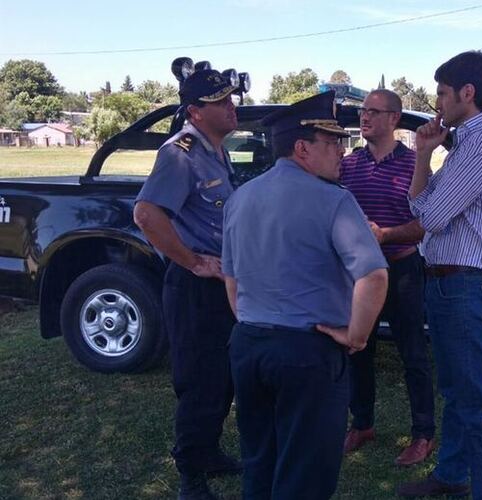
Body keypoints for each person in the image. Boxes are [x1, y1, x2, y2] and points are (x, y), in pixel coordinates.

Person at [223, 91, 389, 500]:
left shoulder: (240, 198)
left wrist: (253, 321)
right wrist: (357, 337)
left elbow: (232, 280)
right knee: (306, 476)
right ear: (302, 148)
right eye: (332, 143)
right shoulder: (334, 200)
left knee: (260, 462)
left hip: (250, 346)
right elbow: (374, 275)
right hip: (307, 353)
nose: (341, 152)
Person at [397, 51, 482, 499]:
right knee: (457, 391)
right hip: (449, 282)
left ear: (468, 93)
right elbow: (421, 207)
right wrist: (425, 154)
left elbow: (431, 214)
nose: (437, 102)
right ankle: (450, 477)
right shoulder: (465, 143)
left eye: (443, 93)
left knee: (478, 405)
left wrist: (423, 161)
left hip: (463, 285)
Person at [134, 69, 242, 500]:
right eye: (221, 102)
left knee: (222, 379)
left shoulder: (215, 151)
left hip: (219, 287)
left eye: (230, 98)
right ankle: (190, 478)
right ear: (196, 112)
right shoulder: (180, 153)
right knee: (199, 382)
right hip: (194, 289)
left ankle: (209, 452)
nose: (231, 107)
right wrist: (192, 261)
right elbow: (147, 215)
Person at [339, 89, 436, 465]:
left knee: (413, 353)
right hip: (359, 272)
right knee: (357, 348)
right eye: (363, 112)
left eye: (374, 113)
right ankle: (361, 423)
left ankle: (423, 434)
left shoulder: (415, 165)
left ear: (394, 119)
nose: (365, 119)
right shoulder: (349, 165)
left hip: (402, 269)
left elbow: (424, 224)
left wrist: (385, 235)